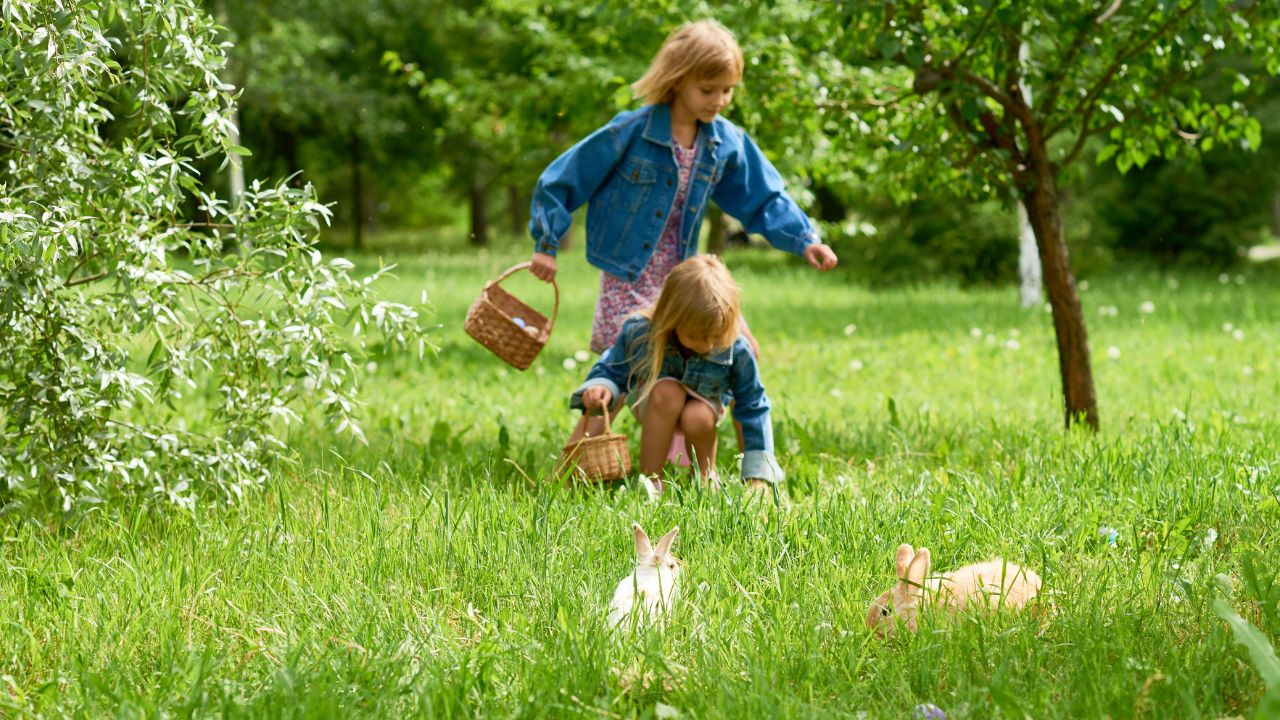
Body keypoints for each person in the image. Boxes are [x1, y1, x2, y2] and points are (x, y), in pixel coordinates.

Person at [529, 19, 837, 460]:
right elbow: (564, 178)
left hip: (682, 276)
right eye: (708, 89)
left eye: (728, 90)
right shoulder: (630, 132)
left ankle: (745, 464)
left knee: (733, 349)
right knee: (624, 365)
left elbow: (763, 195)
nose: (719, 100)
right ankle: (580, 460)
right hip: (628, 274)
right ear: (678, 80)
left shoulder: (723, 143)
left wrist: (804, 238)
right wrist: (547, 241)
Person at [568, 255, 781, 493]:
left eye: (716, 336)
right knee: (667, 391)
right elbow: (613, 368)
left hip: (704, 410)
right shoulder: (642, 333)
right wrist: (603, 386)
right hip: (656, 404)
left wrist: (757, 476)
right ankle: (652, 479)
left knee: (697, 415)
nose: (707, 346)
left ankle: (704, 476)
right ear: (672, 319)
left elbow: (753, 407)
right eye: (696, 337)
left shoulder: (737, 349)